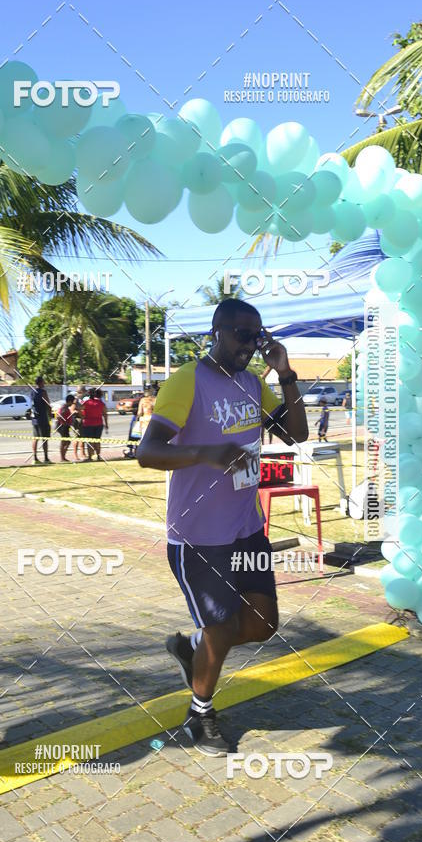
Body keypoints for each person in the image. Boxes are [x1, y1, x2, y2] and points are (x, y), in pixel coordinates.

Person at [137, 298, 308, 756]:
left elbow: (297, 433)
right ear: (216, 332)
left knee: (261, 624)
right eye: (240, 335)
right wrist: (207, 452)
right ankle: (200, 715)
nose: (249, 345)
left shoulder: (254, 382)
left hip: (246, 527)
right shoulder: (188, 381)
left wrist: (285, 372)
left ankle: (192, 649)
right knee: (221, 627)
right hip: (198, 536)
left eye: (256, 336)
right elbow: (147, 452)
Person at [82, 388, 108, 460]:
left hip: (88, 424)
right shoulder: (101, 403)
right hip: (99, 423)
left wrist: (82, 417)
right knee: (97, 440)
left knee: (90, 441)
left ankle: (90, 456)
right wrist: (106, 424)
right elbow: (105, 414)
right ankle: (98, 456)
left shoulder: (86, 403)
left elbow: (79, 409)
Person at [31, 375, 52, 464]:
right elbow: (48, 404)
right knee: (45, 439)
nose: (44, 383)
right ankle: (46, 458)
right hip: (42, 418)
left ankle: (35, 458)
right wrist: (50, 414)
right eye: (43, 381)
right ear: (40, 382)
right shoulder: (43, 392)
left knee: (35, 438)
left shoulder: (32, 392)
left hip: (34, 419)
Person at [55, 394, 75, 462]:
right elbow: (58, 416)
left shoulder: (65, 407)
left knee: (67, 441)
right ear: (69, 401)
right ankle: (62, 458)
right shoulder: (64, 407)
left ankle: (63, 457)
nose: (72, 403)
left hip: (65, 426)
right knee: (65, 442)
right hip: (63, 427)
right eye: (72, 402)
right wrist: (64, 423)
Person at [72, 386, 87, 462]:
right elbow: (72, 410)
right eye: (84, 391)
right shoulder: (75, 400)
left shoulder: (81, 400)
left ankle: (83, 453)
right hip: (76, 421)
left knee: (82, 437)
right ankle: (75, 455)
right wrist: (79, 411)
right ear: (80, 392)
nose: (85, 393)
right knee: (76, 438)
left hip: (82, 420)